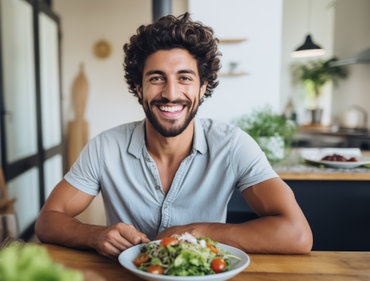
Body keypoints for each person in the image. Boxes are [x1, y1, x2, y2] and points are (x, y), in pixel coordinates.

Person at [35, 13, 312, 259]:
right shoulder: (105, 147)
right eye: (156, 78)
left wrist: (196, 231)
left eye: (184, 78)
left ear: (203, 87)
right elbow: (47, 221)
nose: (170, 93)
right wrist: (94, 236)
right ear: (139, 88)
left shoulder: (233, 145)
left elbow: (297, 234)